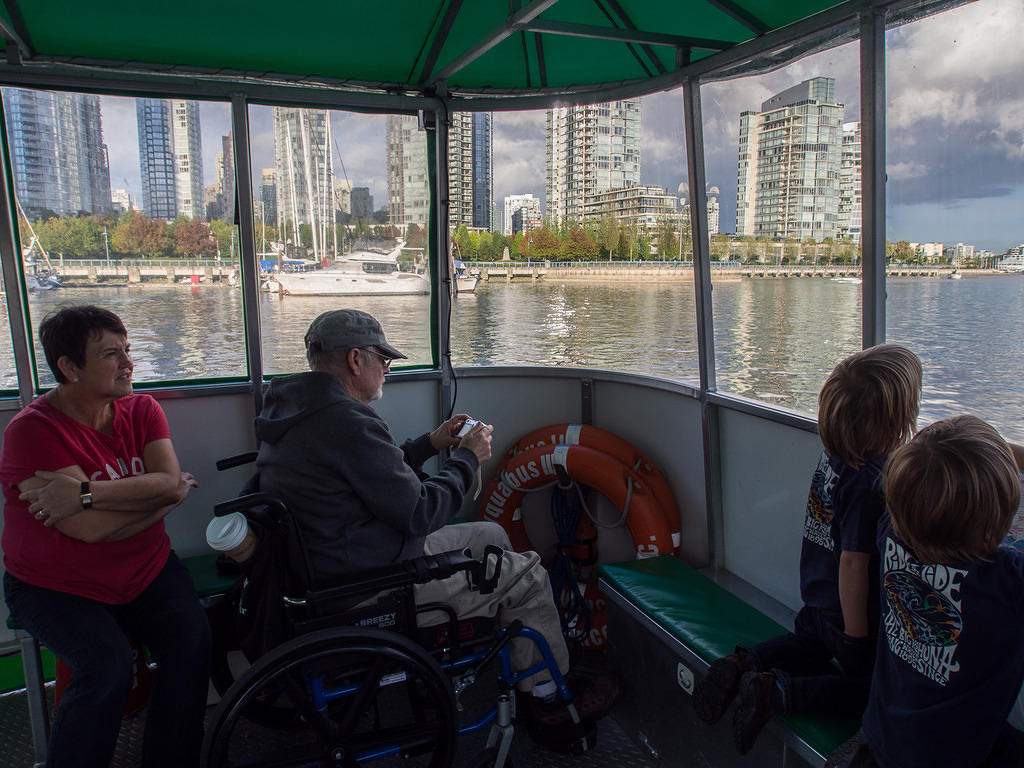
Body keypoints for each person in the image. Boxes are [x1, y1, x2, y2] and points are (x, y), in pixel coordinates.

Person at [252, 309, 616, 731]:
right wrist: (467, 458)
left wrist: (431, 443)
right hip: (370, 586)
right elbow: (420, 511)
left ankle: (510, 656)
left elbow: (371, 476)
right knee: (528, 575)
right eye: (383, 360)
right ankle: (549, 699)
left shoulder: (297, 409)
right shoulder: (346, 421)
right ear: (355, 360)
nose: (387, 370)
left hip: (335, 563)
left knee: (492, 534)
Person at [0, 305, 210, 768]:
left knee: (192, 640)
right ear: (69, 368)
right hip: (54, 585)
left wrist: (86, 493)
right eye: (111, 354)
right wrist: (166, 501)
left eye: (128, 350)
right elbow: (91, 532)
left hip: (144, 567)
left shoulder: (141, 409)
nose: (128, 363)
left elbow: (166, 478)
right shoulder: (31, 433)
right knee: (105, 665)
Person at [692, 344, 922, 755]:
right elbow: (853, 563)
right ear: (896, 421)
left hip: (816, 593)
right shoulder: (872, 481)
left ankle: (745, 663)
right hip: (845, 611)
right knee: (866, 686)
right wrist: (855, 638)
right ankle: (778, 692)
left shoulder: (834, 455)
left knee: (810, 645)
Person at [829, 415, 1024, 768]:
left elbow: (920, 474)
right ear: (1001, 517)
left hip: (884, 734)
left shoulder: (891, 529)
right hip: (953, 754)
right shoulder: (1009, 578)